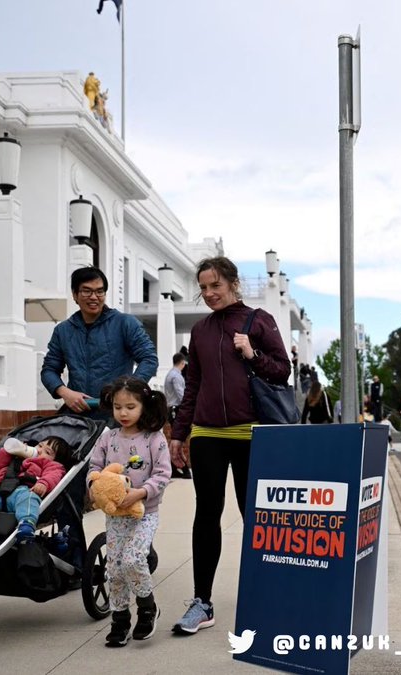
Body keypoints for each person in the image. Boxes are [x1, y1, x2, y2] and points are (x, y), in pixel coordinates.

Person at [168, 256, 291, 635]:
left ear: (233, 283)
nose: (208, 294)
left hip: (251, 432)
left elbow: (283, 370)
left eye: (215, 286)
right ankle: (202, 603)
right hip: (207, 433)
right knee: (207, 514)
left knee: (254, 515)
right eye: (203, 288)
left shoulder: (259, 320)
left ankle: (265, 593)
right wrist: (178, 433)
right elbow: (193, 386)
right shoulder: (201, 331)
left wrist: (252, 352)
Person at [88, 375, 172, 647]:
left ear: (144, 406)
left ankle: (147, 607)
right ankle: (120, 618)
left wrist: (142, 491)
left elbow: (162, 474)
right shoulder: (107, 438)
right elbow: (94, 467)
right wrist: (93, 485)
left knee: (135, 558)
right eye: (117, 406)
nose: (123, 413)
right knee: (114, 568)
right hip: (115, 516)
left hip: (144, 513)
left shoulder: (154, 439)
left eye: (130, 407)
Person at [41, 267, 158, 422]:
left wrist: (127, 391)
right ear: (75, 295)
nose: (94, 297)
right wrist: (65, 393)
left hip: (116, 417)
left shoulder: (125, 323)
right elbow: (49, 370)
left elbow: (149, 359)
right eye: (87, 291)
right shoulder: (63, 331)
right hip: (77, 418)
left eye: (99, 291)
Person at [0, 436, 71, 544]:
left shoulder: (51, 465)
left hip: (25, 492)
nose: (40, 451)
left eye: (47, 452)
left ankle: (27, 524)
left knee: (28, 498)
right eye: (40, 446)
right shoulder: (16, 459)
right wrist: (7, 452)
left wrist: (44, 483)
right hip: (2, 494)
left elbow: (53, 475)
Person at [165, 353, 192, 479]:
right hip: (177, 409)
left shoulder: (170, 374)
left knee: (176, 438)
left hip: (172, 409)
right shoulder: (176, 376)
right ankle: (184, 467)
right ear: (182, 363)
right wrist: (189, 406)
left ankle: (174, 467)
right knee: (179, 438)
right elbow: (182, 394)